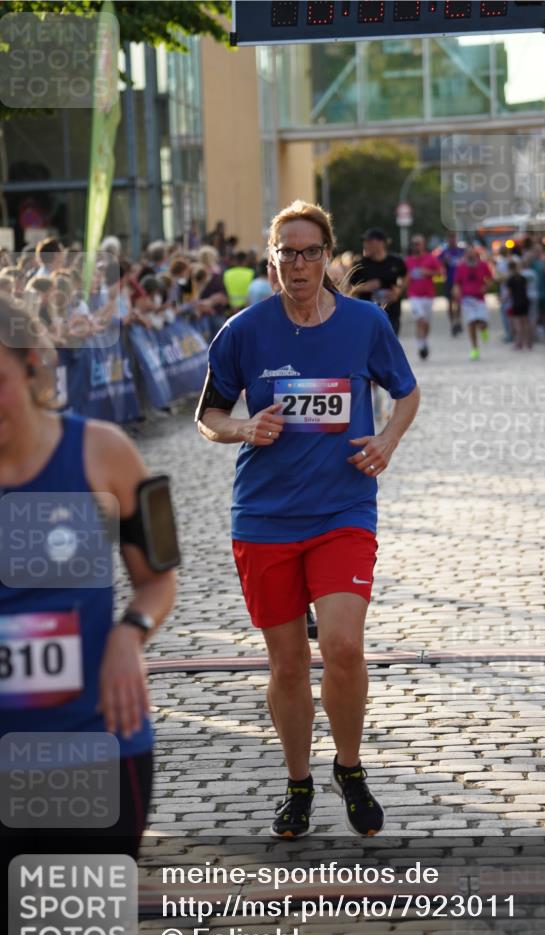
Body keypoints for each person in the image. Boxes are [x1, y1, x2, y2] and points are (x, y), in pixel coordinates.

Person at [0, 289, 177, 935]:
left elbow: (162, 576)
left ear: (33, 369)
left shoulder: (107, 452)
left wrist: (130, 633)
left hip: (94, 752)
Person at [196, 200, 420, 839]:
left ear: (329, 257)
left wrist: (386, 441)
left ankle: (348, 768)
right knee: (288, 665)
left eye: (311, 251)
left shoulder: (363, 323)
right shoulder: (243, 331)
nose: (299, 264)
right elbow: (208, 417)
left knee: (344, 647)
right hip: (264, 517)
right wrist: (244, 426)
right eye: (287, 252)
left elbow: (406, 392)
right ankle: (298, 782)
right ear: (272, 260)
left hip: (343, 508)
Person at [347, 228, 407, 337]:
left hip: (391, 313)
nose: (365, 244)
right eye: (364, 242)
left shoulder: (396, 261)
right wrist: (365, 287)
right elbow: (347, 289)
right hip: (367, 315)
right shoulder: (359, 264)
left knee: (389, 345)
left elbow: (406, 275)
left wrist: (399, 290)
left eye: (369, 241)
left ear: (381, 243)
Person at [405, 234, 443, 360]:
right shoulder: (408, 260)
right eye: (414, 243)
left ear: (423, 245)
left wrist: (428, 272)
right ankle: (421, 346)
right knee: (420, 320)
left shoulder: (430, 258)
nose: (416, 246)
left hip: (428, 295)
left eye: (419, 243)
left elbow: (441, 272)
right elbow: (403, 277)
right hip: (414, 295)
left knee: (426, 323)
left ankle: (424, 341)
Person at [453, 245, 493, 361]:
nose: (470, 255)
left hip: (479, 299)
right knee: (471, 323)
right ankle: (474, 348)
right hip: (467, 299)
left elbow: (490, 279)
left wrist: (486, 287)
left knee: (481, 322)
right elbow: (457, 283)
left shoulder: (483, 265)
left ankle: (484, 329)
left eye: (472, 253)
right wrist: (456, 292)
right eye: (468, 253)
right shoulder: (461, 267)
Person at [438, 232, 465, 335]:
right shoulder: (444, 252)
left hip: (459, 281)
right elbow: (438, 265)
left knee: (458, 302)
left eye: (453, 238)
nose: (452, 240)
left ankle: (458, 321)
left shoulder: (461, 251)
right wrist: (444, 263)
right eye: (450, 238)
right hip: (449, 280)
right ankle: (452, 323)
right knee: (449, 303)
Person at [504, 259, 531, 350]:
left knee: (518, 324)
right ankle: (528, 342)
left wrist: (503, 300)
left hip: (516, 302)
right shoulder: (523, 278)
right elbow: (526, 289)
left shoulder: (511, 280)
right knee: (526, 323)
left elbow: (509, 293)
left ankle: (519, 343)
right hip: (525, 302)